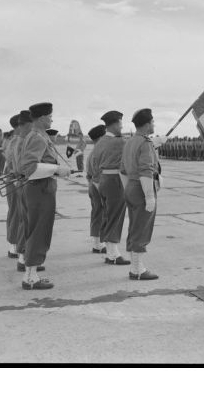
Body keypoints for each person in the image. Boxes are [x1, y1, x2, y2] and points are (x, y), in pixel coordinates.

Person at [19, 102, 71, 289]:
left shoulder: (35, 135)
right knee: (39, 231)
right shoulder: (38, 138)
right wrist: (57, 169)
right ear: (41, 118)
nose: (51, 119)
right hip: (40, 189)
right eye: (50, 116)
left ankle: (30, 273)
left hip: (38, 188)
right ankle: (31, 278)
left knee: (33, 229)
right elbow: (29, 168)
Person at [120, 108, 160, 280]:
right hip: (142, 188)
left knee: (135, 226)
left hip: (131, 186)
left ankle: (135, 266)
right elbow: (146, 171)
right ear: (145, 124)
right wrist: (149, 196)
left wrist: (127, 188)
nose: (154, 124)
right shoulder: (145, 143)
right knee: (142, 228)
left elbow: (122, 170)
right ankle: (137, 270)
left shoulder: (130, 142)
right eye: (152, 122)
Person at [92, 110, 129, 265]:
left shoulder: (100, 142)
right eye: (120, 123)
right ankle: (113, 254)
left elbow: (94, 165)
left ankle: (110, 250)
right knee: (115, 216)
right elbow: (133, 153)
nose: (121, 126)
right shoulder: (119, 142)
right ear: (114, 124)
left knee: (108, 215)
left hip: (103, 180)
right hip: (115, 180)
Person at [13, 110, 33, 271]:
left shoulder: (18, 140)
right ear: (28, 124)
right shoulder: (23, 141)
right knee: (26, 222)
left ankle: (22, 257)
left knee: (24, 221)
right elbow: (25, 167)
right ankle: (22, 258)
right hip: (26, 183)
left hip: (20, 182)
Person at [86, 125, 107, 253]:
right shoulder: (98, 152)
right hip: (98, 185)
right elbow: (97, 173)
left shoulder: (93, 152)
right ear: (100, 137)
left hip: (93, 184)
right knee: (100, 214)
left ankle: (97, 242)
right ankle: (98, 244)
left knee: (97, 213)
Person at [4, 114, 21, 259]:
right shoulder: (17, 141)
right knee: (17, 213)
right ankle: (14, 246)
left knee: (14, 212)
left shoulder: (12, 140)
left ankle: (13, 245)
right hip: (15, 181)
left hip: (10, 180)